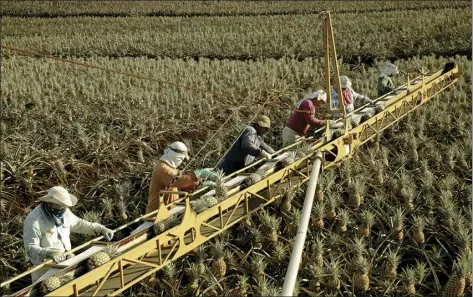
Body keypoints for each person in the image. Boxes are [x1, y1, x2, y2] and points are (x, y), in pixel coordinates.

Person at [23, 186, 115, 282]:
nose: (63, 209)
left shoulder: (64, 211)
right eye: (60, 206)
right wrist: (48, 253)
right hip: (46, 273)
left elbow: (79, 224)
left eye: (64, 206)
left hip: (68, 264)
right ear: (50, 203)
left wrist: (99, 228)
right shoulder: (34, 221)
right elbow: (30, 249)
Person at [146, 141, 219, 214]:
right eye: (181, 159)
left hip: (168, 211)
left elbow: (181, 186)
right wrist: (197, 174)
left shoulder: (169, 167)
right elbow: (178, 181)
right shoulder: (163, 169)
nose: (181, 162)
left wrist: (200, 183)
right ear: (176, 156)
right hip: (157, 214)